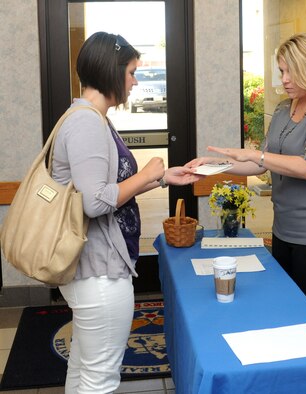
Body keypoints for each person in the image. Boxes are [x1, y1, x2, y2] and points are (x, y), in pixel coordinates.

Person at [51, 31, 202, 393]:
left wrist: (163, 177)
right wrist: (146, 173)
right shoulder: (86, 122)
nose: (136, 81)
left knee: (84, 369)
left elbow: (107, 188)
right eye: (132, 72)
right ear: (111, 71)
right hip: (98, 274)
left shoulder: (90, 117)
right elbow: (96, 202)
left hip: (93, 272)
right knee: (100, 377)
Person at [188, 33, 306, 326]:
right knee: (284, 314)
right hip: (284, 230)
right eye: (281, 71)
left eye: (290, 71)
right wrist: (213, 166)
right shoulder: (281, 109)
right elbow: (259, 166)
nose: (284, 79)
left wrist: (254, 156)